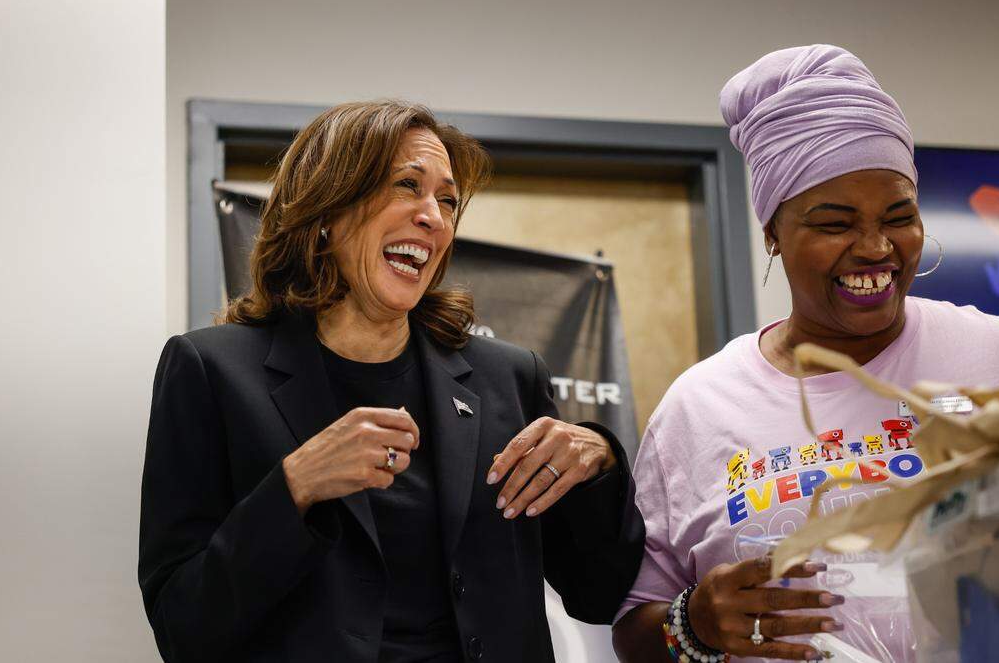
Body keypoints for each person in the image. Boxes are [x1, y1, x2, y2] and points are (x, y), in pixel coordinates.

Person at [139, 100, 645, 663]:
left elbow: (599, 593)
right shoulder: (211, 371)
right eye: (407, 185)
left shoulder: (509, 377)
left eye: (448, 200)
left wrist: (599, 461)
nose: (434, 216)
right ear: (326, 208)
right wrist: (294, 488)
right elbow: (182, 627)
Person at [611, 45, 999, 663]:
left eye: (899, 216)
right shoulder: (699, 408)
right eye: (835, 223)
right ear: (773, 232)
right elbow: (634, 631)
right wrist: (692, 622)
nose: (877, 247)